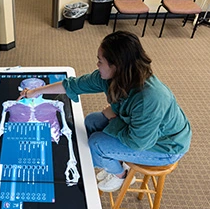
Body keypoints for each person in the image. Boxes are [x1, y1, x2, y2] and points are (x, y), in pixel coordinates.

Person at [19, 31, 191, 192]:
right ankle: (113, 162)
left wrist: (114, 119)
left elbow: (138, 142)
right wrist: (36, 92)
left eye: (100, 61)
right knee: (91, 121)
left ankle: (121, 175)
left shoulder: (150, 99)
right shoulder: (114, 77)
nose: (97, 64)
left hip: (165, 146)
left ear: (116, 65)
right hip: (140, 130)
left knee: (96, 144)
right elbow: (74, 84)